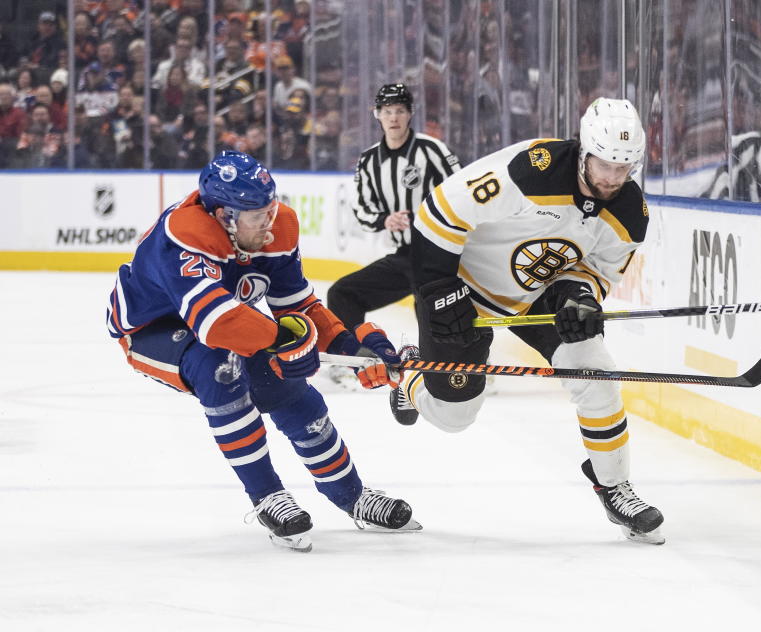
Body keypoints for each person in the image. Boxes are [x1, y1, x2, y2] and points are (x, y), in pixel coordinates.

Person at [106, 151, 420, 552]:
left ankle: (351, 495)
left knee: (290, 389)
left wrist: (354, 346)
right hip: (151, 331)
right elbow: (214, 323)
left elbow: (298, 307)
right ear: (224, 216)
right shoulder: (183, 234)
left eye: (270, 210)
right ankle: (267, 496)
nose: (270, 226)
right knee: (221, 365)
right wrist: (285, 340)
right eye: (259, 217)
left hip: (225, 322)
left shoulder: (277, 225)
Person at [392, 97, 666, 545]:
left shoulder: (630, 213)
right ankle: (409, 379)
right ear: (584, 150)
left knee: (596, 371)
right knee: (454, 418)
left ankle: (614, 485)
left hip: (538, 295)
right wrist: (440, 292)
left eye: (624, 169)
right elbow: (439, 213)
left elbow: (596, 270)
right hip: (464, 290)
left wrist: (581, 298)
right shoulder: (530, 171)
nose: (612, 179)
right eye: (604, 166)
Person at [325, 83, 461, 385]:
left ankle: (465, 365)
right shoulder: (369, 160)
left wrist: (424, 218)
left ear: (410, 114)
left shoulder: (432, 150)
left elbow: (461, 193)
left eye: (400, 110)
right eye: (387, 111)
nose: (394, 117)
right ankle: (352, 360)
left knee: (430, 307)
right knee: (342, 293)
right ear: (377, 115)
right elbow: (361, 209)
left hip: (439, 256)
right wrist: (385, 220)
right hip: (404, 257)